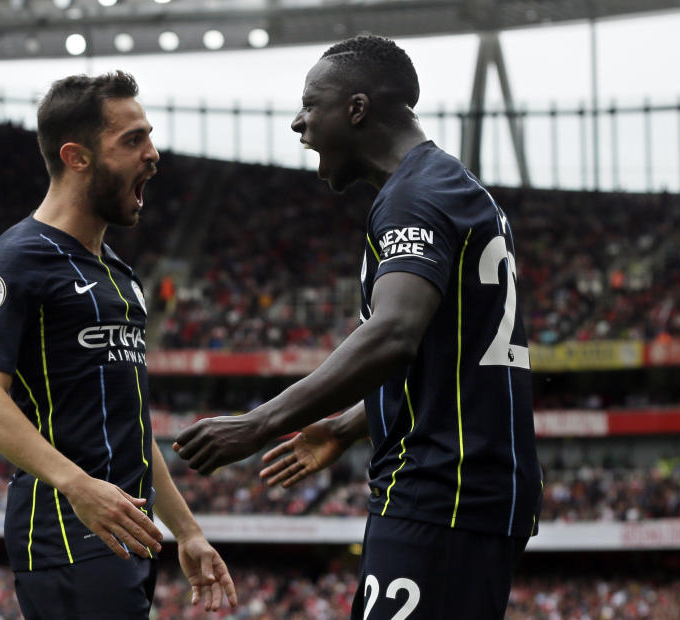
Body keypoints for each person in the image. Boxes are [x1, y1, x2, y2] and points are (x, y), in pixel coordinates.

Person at [174, 35, 542, 619]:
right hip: (463, 494)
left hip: (439, 494)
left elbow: (395, 334)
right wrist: (348, 426)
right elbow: (444, 354)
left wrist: (259, 423)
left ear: (357, 109)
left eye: (310, 105)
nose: (299, 123)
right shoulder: (452, 186)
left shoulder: (414, 197)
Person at [0, 71, 237, 619]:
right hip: (65, 531)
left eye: (150, 137)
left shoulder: (121, 275)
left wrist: (186, 532)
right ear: (77, 156)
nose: (153, 154)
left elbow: (131, 425)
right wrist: (79, 486)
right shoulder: (11, 261)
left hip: (127, 534)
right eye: (132, 140)